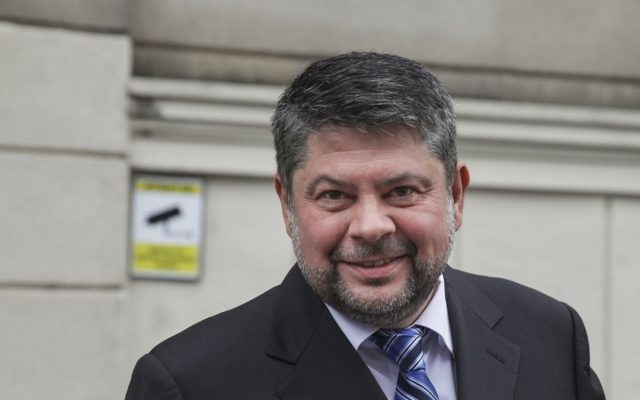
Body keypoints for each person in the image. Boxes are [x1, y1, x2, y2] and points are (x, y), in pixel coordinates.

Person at [125, 52, 605, 400]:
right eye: (334, 196)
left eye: (402, 191)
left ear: (455, 196)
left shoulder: (550, 334)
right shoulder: (189, 384)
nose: (371, 227)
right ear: (287, 206)